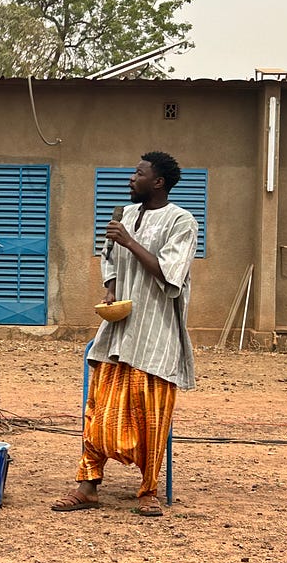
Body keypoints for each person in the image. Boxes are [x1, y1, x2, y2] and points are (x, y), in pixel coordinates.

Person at [52, 151, 197, 518]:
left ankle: (147, 490)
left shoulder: (182, 221)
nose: (131, 179)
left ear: (158, 182)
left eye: (139, 173)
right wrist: (112, 288)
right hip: (118, 334)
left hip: (155, 337)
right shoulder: (126, 215)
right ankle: (88, 487)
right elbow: (110, 257)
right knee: (98, 409)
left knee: (151, 416)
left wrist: (131, 242)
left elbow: (170, 273)